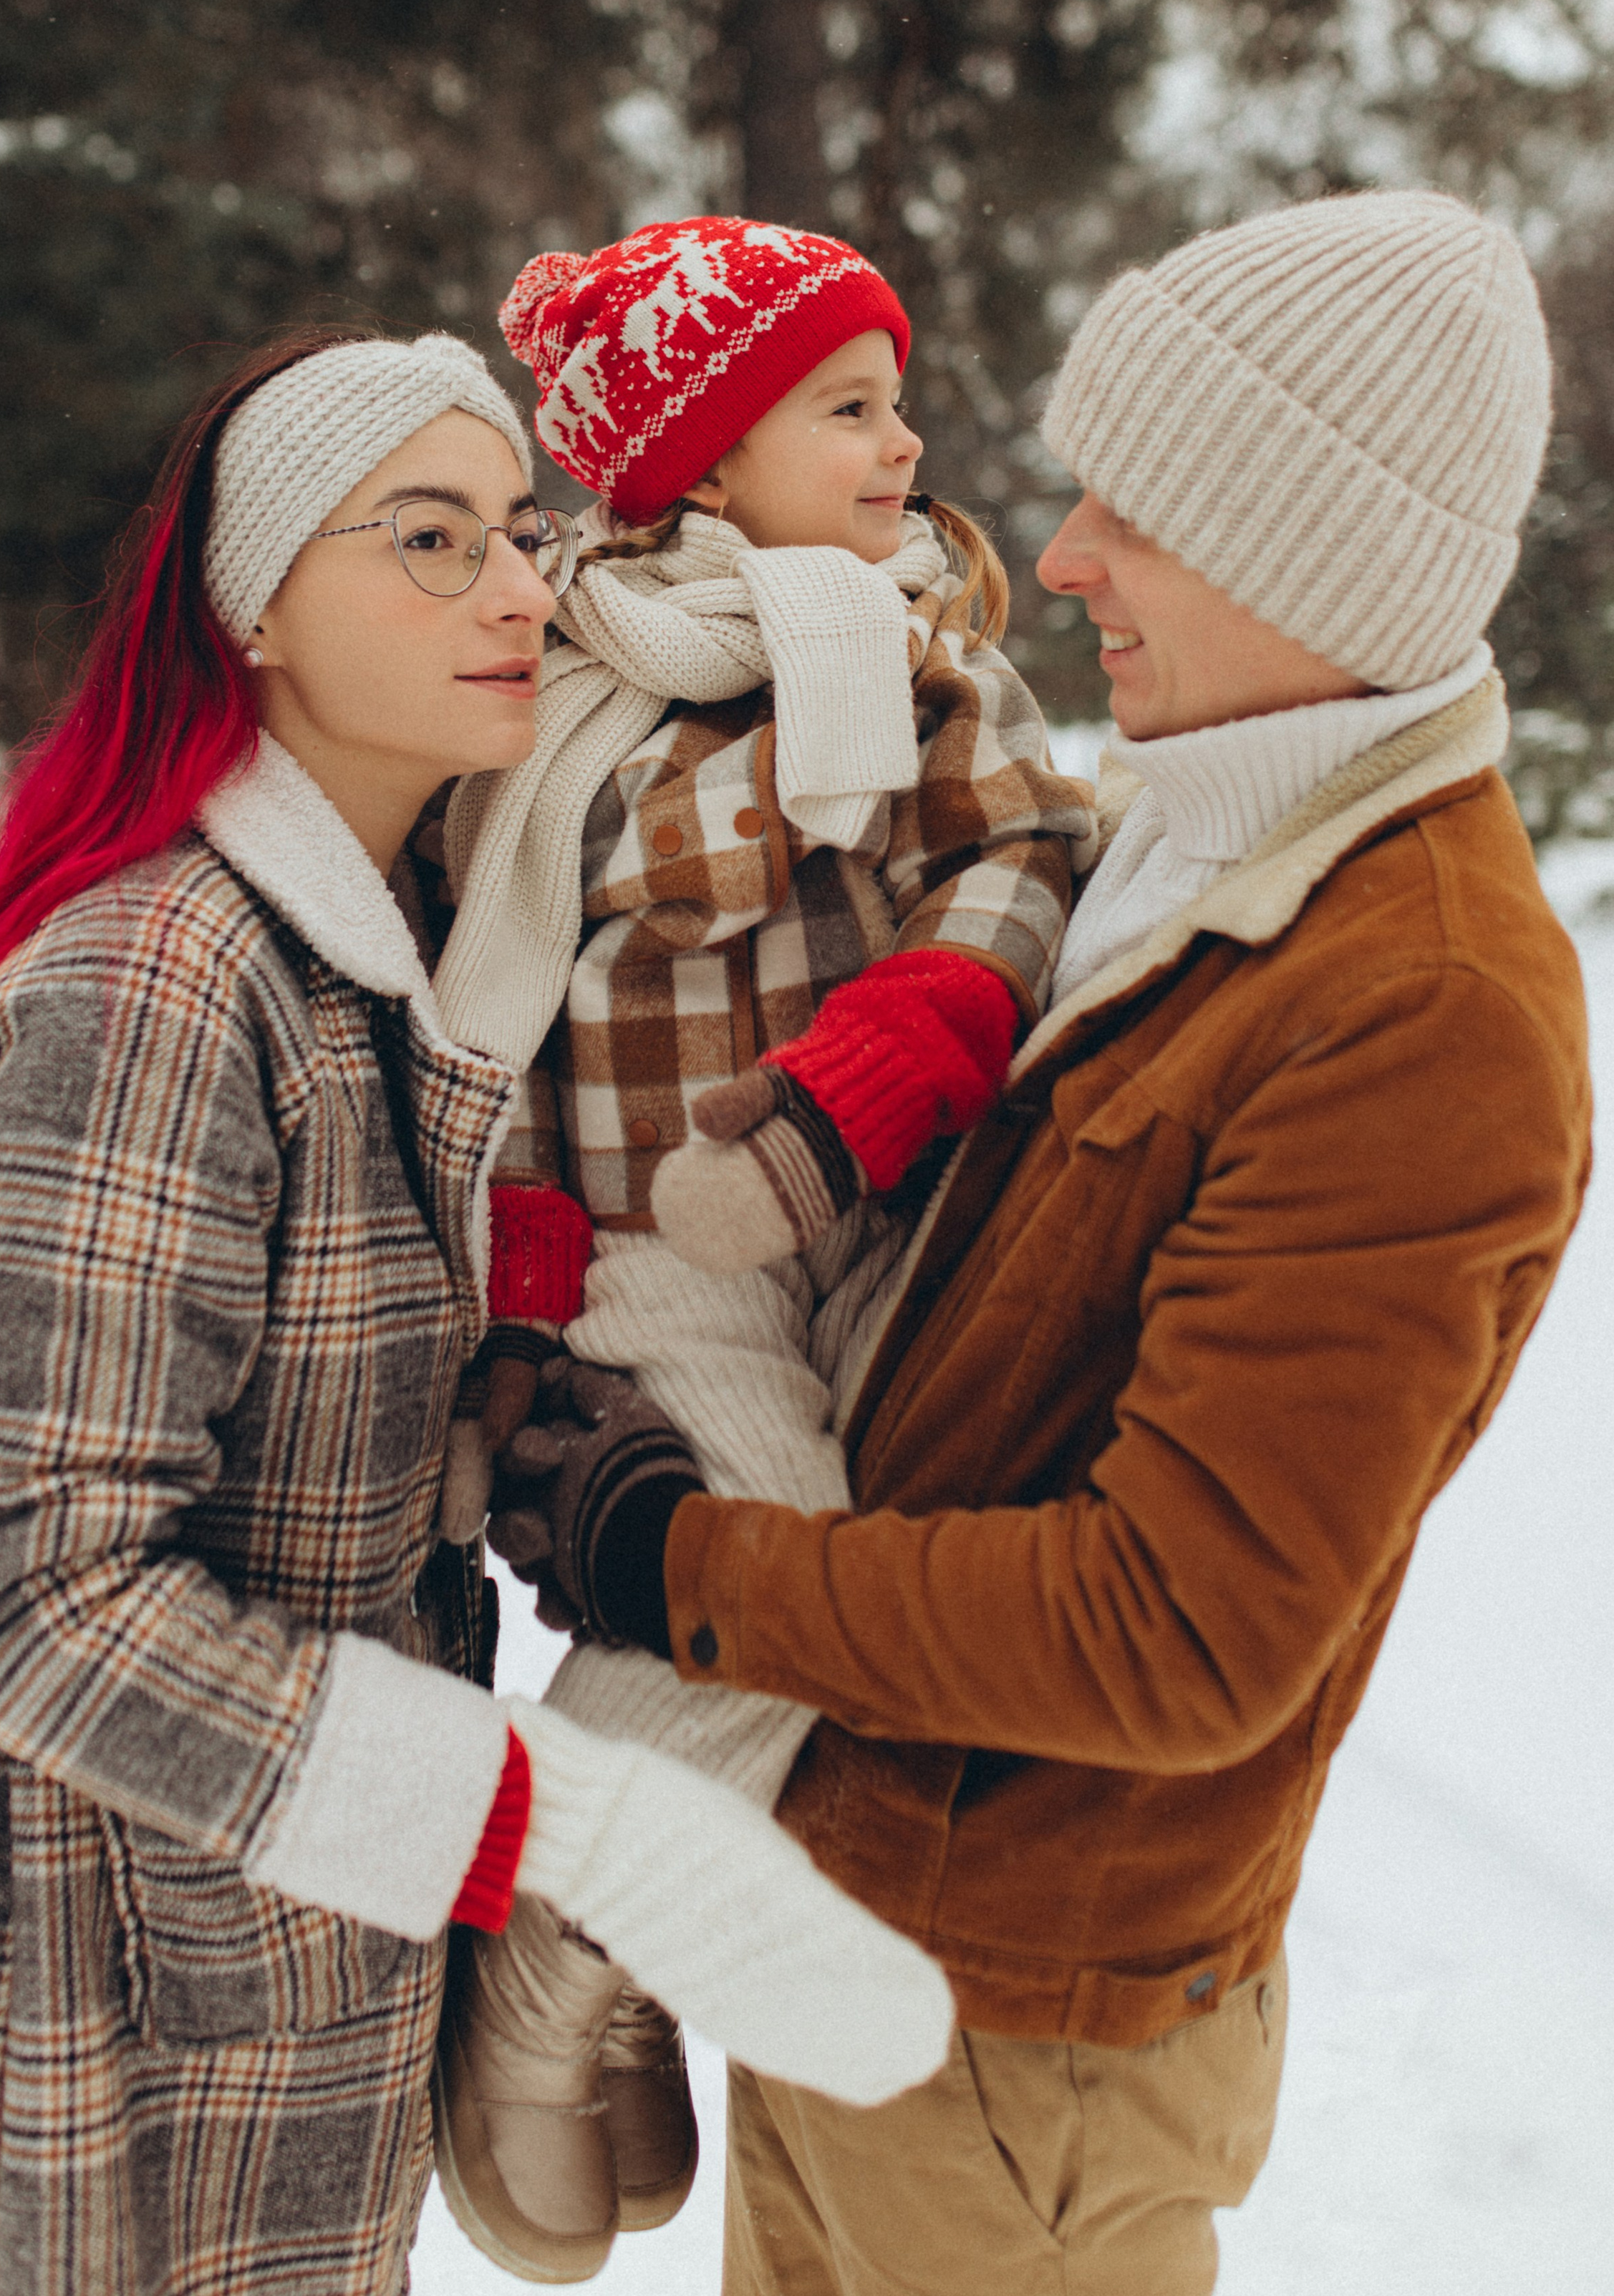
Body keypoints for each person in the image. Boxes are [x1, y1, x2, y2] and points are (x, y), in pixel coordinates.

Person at [492, 191, 1594, 2294]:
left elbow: (1170, 1628)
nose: (1062, 557)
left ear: (1305, 552)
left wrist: (672, 1563)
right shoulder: (1197, 822)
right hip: (859, 1918)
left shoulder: (1422, 1003)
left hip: (1023, 2041)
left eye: (1138, 513)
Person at [0, 330, 952, 2296]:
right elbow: (34, 1589)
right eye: (426, 540)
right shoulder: (156, 987)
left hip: (260, 2026)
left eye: (515, 529)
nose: (515, 587)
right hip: (63, 2099)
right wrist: (558, 1825)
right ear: (255, 612)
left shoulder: (386, 964)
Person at [422, 217, 1095, 2281]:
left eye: (897, 398)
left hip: (853, 1213)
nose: (907, 443)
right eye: (849, 406)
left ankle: (600, 1946)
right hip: (650, 1249)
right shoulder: (556, 689)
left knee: (839, 1593)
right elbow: (488, 1003)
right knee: (776, 1570)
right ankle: (555, 1937)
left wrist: (867, 1080)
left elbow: (1022, 865)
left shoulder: (914, 652)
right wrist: (516, 1298)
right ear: (708, 459)